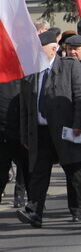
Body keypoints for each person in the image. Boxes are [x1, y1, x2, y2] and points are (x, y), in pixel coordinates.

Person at [17, 31, 81, 228]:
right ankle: (34, 211)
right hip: (40, 132)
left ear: (53, 49)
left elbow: (80, 97)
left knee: (74, 171)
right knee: (39, 173)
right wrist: (25, 133)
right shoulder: (31, 72)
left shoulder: (69, 66)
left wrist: (79, 124)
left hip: (65, 130)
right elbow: (26, 108)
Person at [0, 79, 27, 209]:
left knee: (21, 165)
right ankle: (21, 196)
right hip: (10, 128)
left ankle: (21, 195)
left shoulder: (22, 77)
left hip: (17, 129)